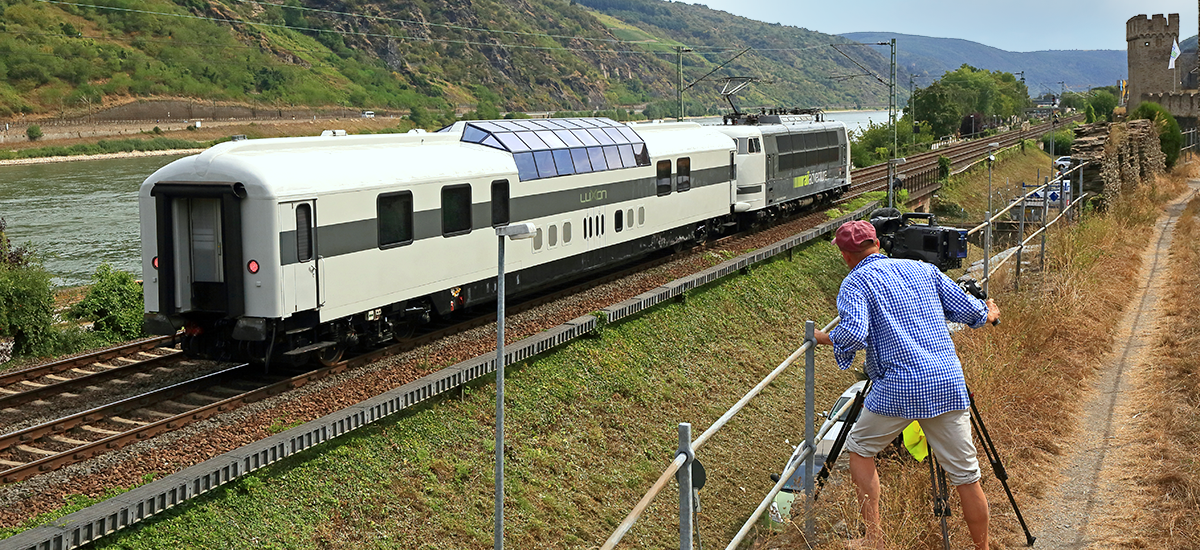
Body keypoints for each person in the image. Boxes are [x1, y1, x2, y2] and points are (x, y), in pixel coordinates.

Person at [812, 219, 1000, 550]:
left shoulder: (855, 283)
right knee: (967, 477)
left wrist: (825, 338)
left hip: (898, 388)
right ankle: (982, 548)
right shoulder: (922, 269)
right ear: (878, 244)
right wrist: (987, 312)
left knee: (860, 449)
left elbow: (854, 333)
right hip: (946, 383)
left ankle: (874, 538)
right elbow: (965, 308)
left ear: (845, 254)